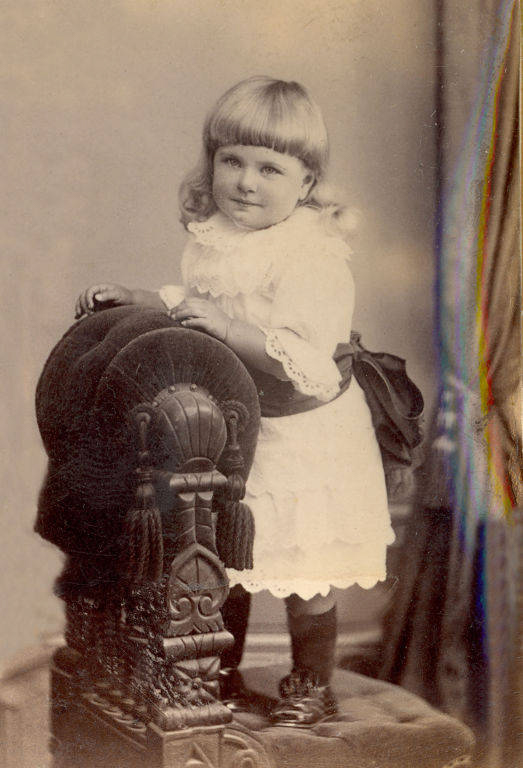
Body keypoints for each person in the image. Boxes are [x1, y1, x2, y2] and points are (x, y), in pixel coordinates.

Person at [76, 76, 397, 727]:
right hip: (242, 426)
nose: (246, 182)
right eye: (232, 161)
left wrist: (226, 331)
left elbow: (307, 365)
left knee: (307, 571)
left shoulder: (311, 258)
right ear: (212, 162)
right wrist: (145, 299)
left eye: (269, 168)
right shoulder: (218, 235)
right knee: (225, 553)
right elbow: (201, 303)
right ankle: (216, 675)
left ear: (305, 184)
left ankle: (311, 683)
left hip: (307, 435)